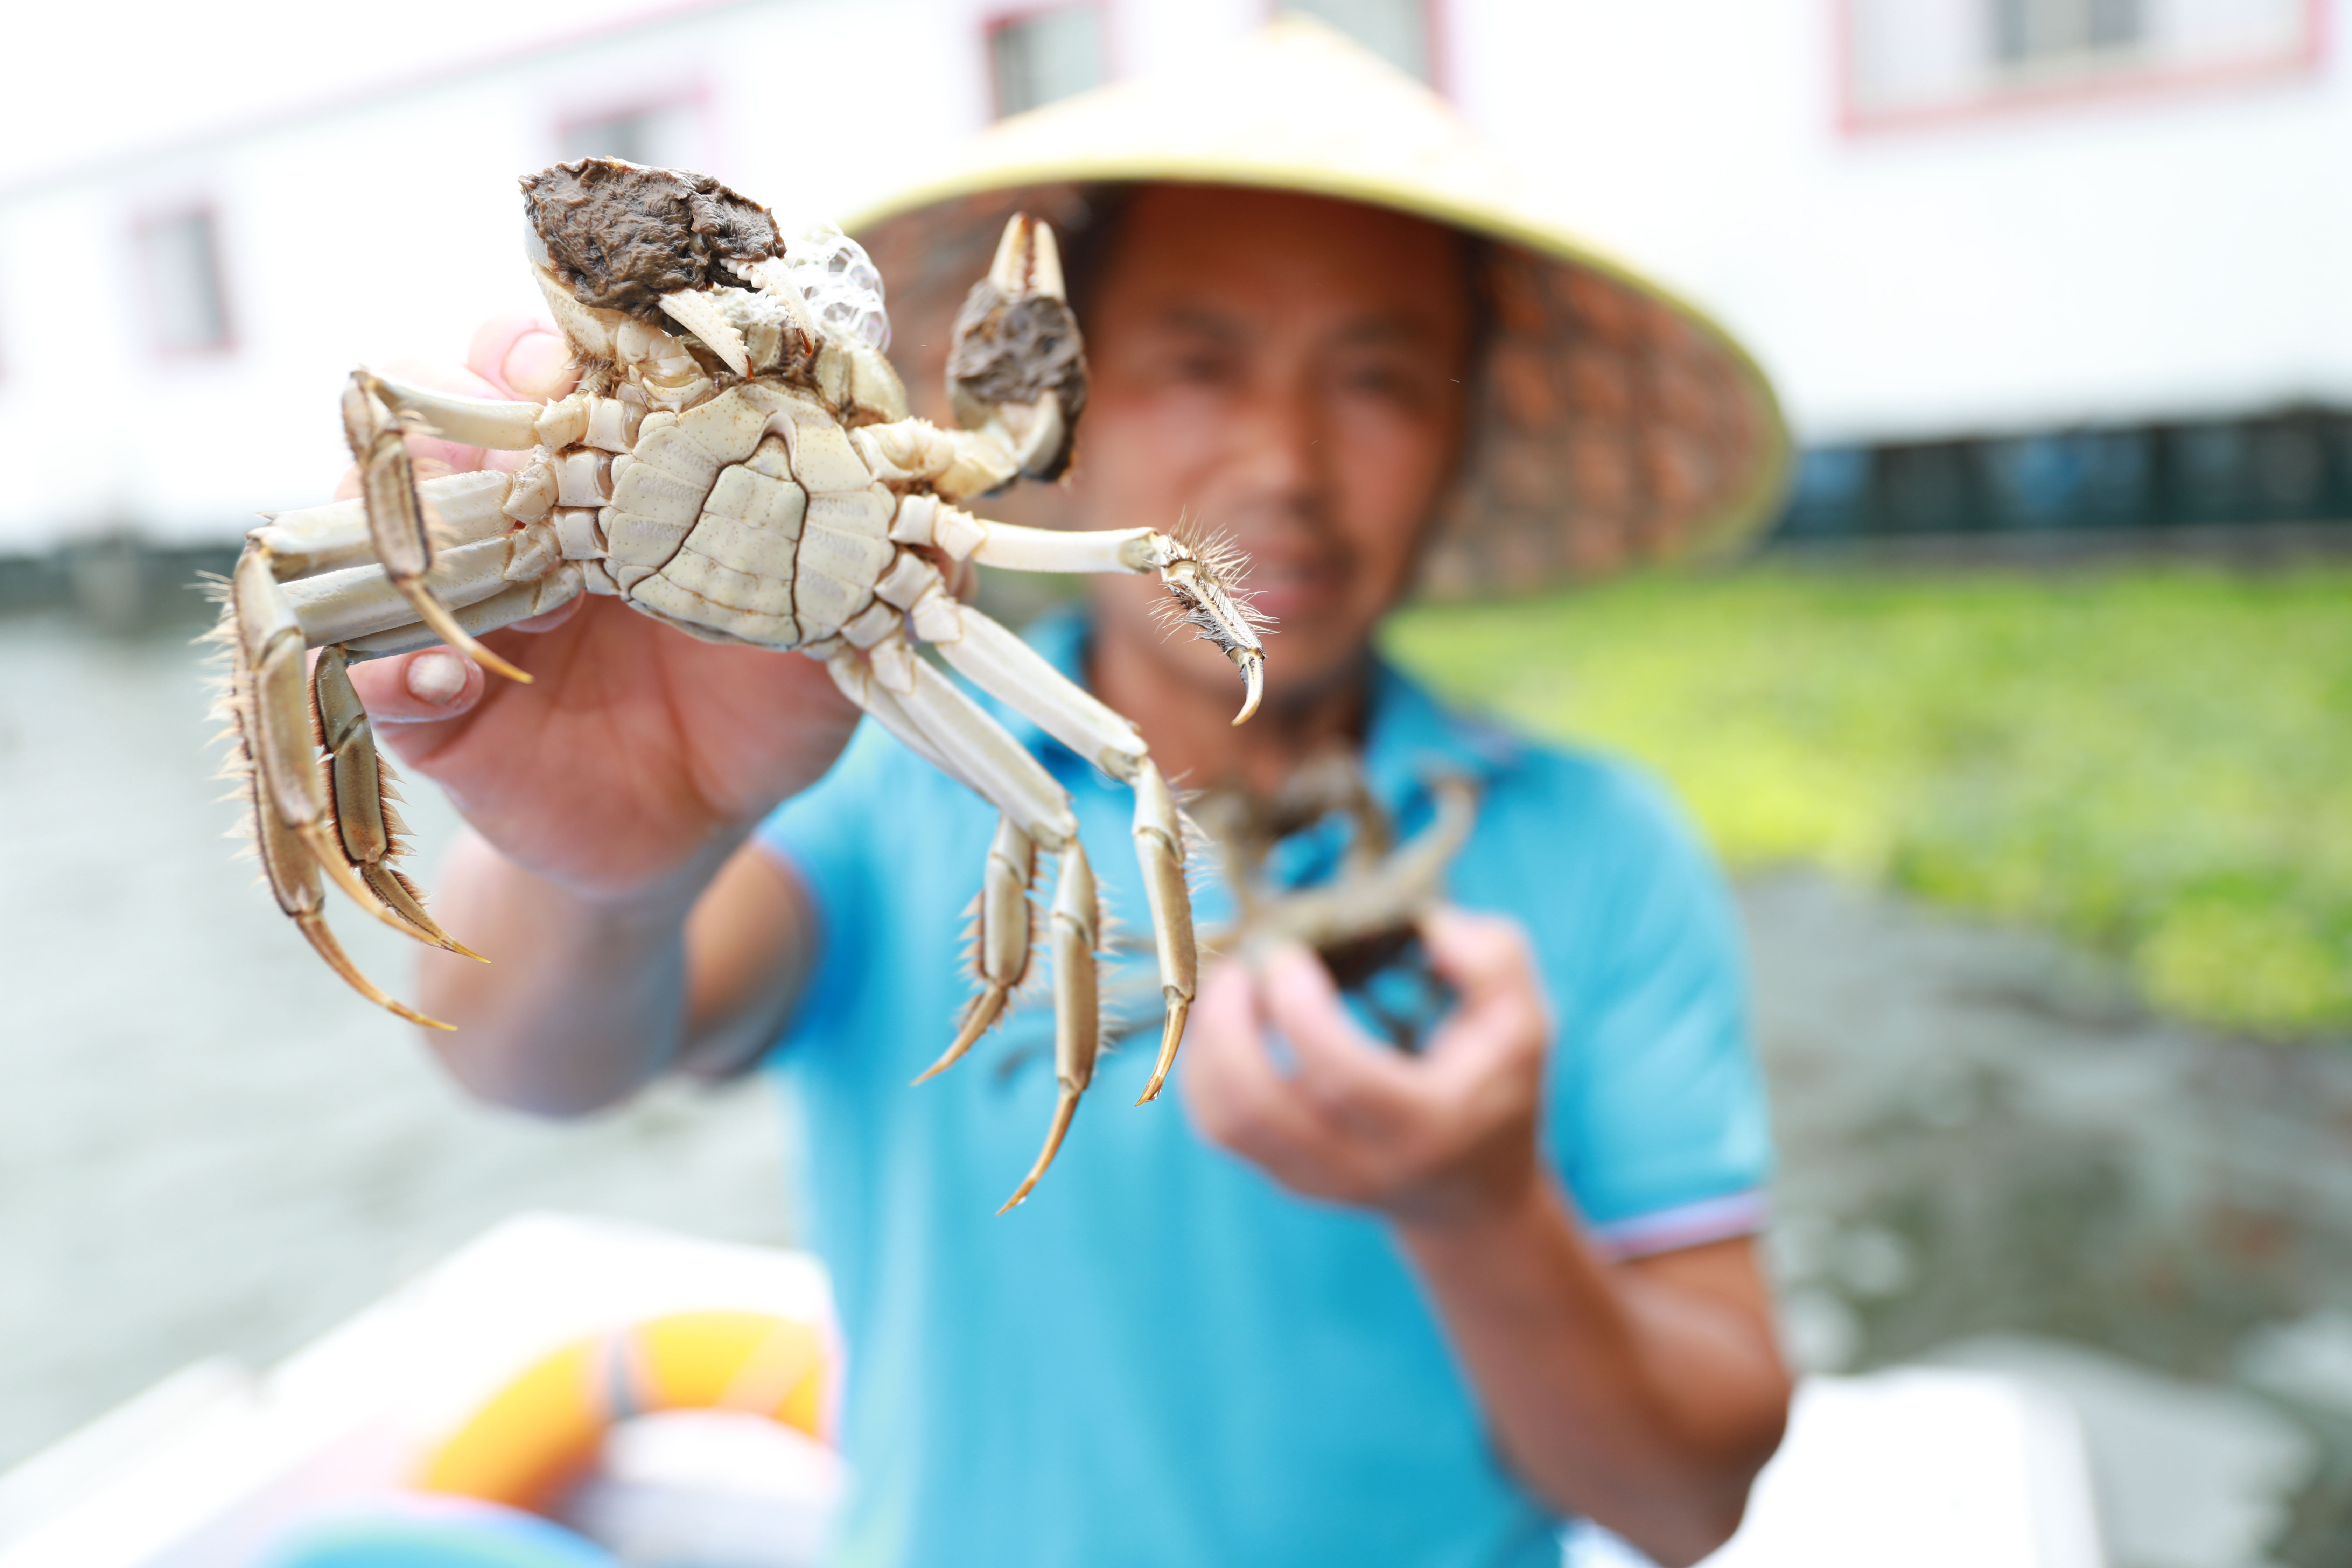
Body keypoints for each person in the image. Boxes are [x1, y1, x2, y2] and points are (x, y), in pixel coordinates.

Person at [343, 23, 1792, 1568]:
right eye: (1196, 360)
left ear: (1463, 434)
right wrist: (615, 868)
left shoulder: (1596, 849)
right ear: (1053, 420)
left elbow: (1688, 1502)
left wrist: (1478, 1204)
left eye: (1378, 378)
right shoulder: (889, 764)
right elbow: (537, 1064)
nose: (1284, 458)